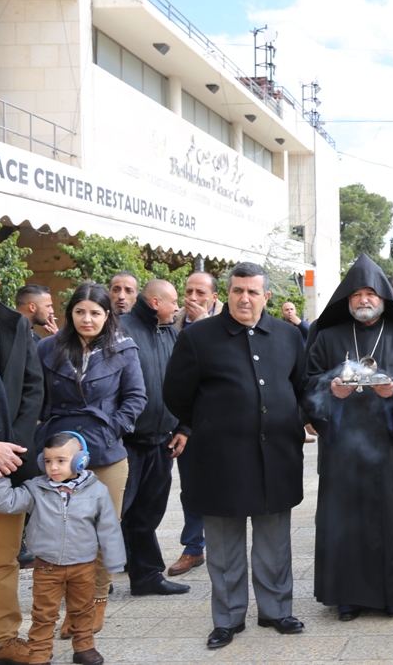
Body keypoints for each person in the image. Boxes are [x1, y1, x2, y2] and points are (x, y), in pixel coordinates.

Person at [164, 262, 307, 649]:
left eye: (253, 291)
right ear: (226, 294)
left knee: (274, 540)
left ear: (266, 296)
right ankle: (227, 619)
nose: (245, 298)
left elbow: (300, 386)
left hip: (276, 455)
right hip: (220, 459)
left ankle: (276, 610)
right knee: (224, 545)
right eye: (238, 290)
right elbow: (176, 393)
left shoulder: (288, 335)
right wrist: (209, 424)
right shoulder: (198, 337)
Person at [303, 254, 393, 620]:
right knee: (347, 520)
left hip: (392, 446)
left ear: (384, 298)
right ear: (347, 299)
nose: (364, 300)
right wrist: (332, 392)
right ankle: (348, 596)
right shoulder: (328, 336)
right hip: (344, 447)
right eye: (357, 294)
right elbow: (308, 379)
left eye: (371, 293)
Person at [35, 282, 146, 636]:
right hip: (58, 453)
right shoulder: (46, 348)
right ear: (69, 313)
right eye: (80, 311)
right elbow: (36, 397)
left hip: (105, 451)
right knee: (63, 534)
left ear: (107, 315)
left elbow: (136, 397)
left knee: (101, 533)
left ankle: (94, 603)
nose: (87, 319)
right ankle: (71, 607)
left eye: (95, 312)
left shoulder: (123, 348)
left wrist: (112, 429)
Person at [0, 431, 125, 665]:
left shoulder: (96, 491)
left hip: (84, 565)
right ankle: (39, 653)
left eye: (61, 461)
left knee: (83, 609)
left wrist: (114, 560)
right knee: (43, 614)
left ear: (80, 461)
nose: (53, 467)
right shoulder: (35, 489)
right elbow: (8, 502)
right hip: (47, 566)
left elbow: (109, 528)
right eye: (47, 461)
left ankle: (84, 647)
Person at [117, 280, 191, 597]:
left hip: (163, 440)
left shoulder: (172, 334)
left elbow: (187, 385)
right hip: (125, 442)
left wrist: (184, 428)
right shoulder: (118, 330)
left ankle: (146, 576)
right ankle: (88, 584)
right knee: (113, 512)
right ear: (154, 302)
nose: (178, 308)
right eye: (173, 302)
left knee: (148, 512)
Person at [0, 291, 44, 665]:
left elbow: (33, 390)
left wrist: (10, 447)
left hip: (8, 461)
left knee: (3, 559)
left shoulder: (15, 325)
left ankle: (3, 639)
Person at [168, 271, 221, 577]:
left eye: (201, 293)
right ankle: (193, 548)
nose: (193, 298)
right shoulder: (170, 323)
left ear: (214, 298)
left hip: (218, 423)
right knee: (189, 487)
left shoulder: (225, 325)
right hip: (183, 422)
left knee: (220, 485)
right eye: (189, 291)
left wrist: (202, 326)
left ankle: (223, 545)